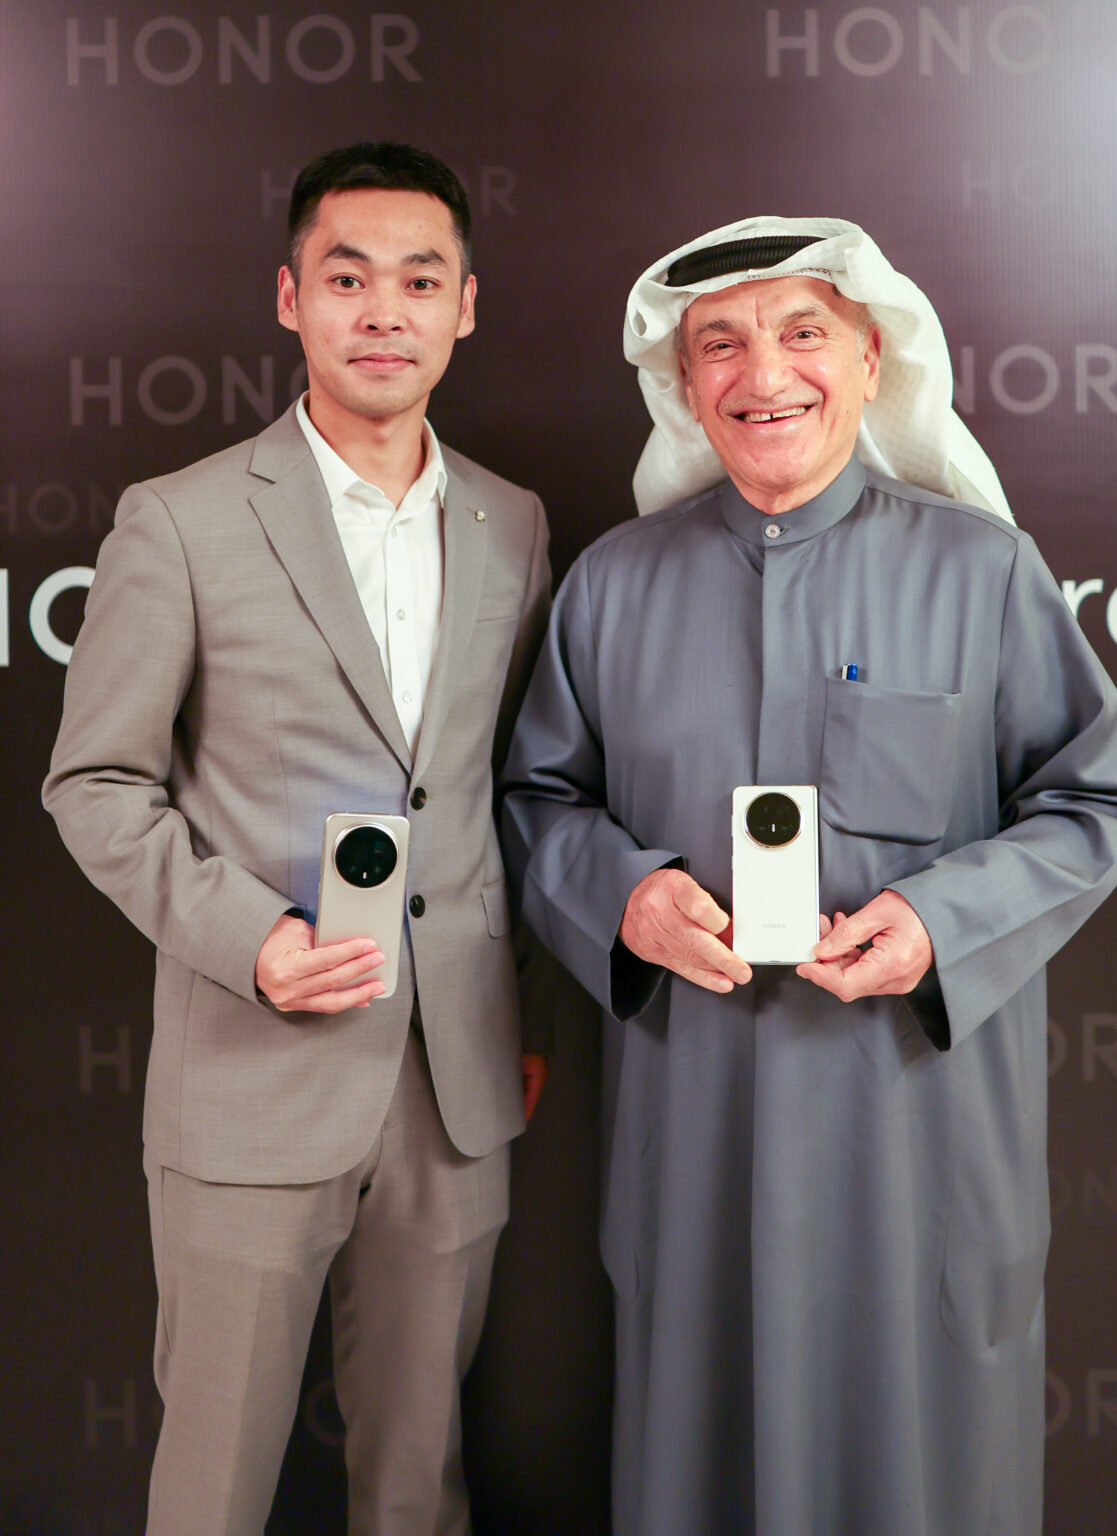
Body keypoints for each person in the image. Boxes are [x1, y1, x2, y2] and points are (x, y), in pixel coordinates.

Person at [500, 216, 1117, 1536]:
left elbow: (1092, 802)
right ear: (683, 382)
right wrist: (627, 897)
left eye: (801, 334)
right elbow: (539, 804)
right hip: (697, 1138)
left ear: (870, 358)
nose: (762, 374)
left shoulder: (982, 571)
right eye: (720, 344)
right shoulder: (611, 588)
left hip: (915, 1137)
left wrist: (936, 920)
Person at [44, 142, 551, 1536]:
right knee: (213, 1486)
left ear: (465, 307)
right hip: (250, 1072)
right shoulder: (180, 519)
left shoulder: (513, 523)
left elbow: (504, 792)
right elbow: (95, 784)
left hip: (453, 1084)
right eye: (347, 277)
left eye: (420, 281)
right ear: (290, 299)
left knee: (417, 1483)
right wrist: (251, 938)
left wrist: (515, 1009)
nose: (384, 310)